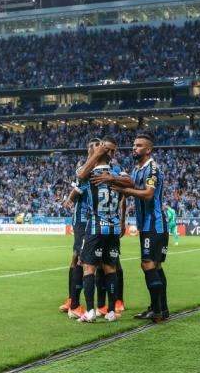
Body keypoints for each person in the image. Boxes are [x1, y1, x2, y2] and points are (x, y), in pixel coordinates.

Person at [113, 132, 169, 323]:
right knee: (155, 266)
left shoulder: (152, 169)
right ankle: (161, 308)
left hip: (154, 223)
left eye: (138, 146)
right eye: (134, 145)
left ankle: (158, 310)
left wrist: (124, 190)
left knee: (148, 264)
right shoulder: (137, 169)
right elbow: (128, 191)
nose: (134, 148)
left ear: (148, 149)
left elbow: (148, 194)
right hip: (146, 225)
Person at [76, 136, 131, 323]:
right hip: (113, 228)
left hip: (95, 227)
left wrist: (97, 153)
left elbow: (80, 175)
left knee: (88, 268)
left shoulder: (90, 173)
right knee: (110, 268)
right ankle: (111, 311)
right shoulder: (118, 174)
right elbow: (130, 183)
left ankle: (90, 311)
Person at [60, 138, 99, 319]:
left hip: (94, 221)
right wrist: (70, 197)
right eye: (91, 148)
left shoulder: (101, 169)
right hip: (83, 221)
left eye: (97, 148)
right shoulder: (84, 169)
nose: (94, 151)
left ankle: (73, 300)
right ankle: (74, 303)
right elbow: (77, 191)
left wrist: (70, 197)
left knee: (83, 259)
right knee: (80, 260)